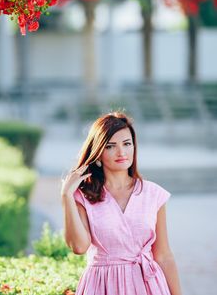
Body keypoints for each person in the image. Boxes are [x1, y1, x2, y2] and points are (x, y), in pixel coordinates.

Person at [61, 112, 182, 295]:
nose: (121, 152)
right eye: (111, 146)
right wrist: (66, 196)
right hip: (102, 285)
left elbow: (164, 256)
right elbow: (79, 247)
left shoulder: (153, 193)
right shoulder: (85, 196)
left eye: (127, 144)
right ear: (98, 153)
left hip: (148, 284)